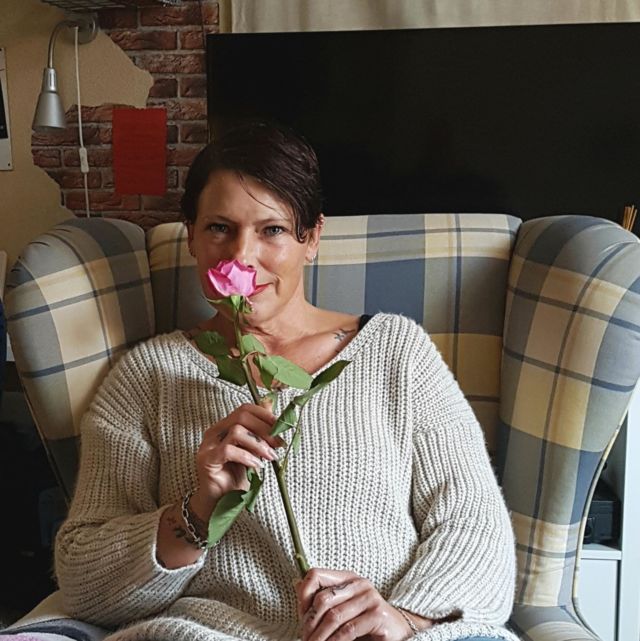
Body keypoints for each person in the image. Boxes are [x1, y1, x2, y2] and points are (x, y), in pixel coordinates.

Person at [47, 122, 518, 641]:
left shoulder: (396, 354)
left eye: (271, 230)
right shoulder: (147, 377)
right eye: (219, 228)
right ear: (191, 237)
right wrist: (199, 511)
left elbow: (475, 525)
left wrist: (402, 619)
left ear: (311, 238)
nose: (240, 256)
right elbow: (82, 578)